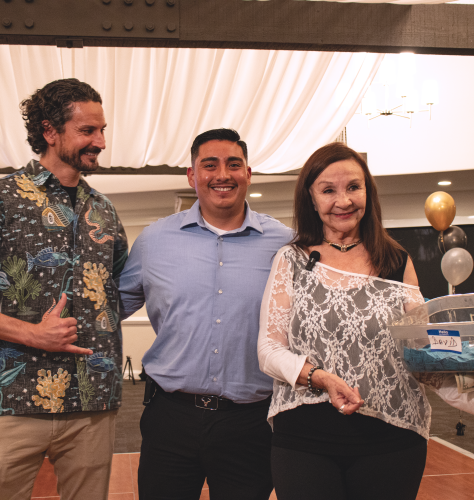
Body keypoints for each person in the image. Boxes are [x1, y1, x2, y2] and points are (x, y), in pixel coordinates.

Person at [116, 128, 293, 500]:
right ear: (192, 175)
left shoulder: (285, 244)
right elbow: (112, 307)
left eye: (234, 164)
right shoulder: (153, 241)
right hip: (170, 417)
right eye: (210, 165)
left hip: (252, 422)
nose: (222, 174)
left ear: (248, 173)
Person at [0, 78, 128, 500]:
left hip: (94, 405)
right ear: (49, 131)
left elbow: (117, 292)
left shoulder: (104, 210)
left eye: (102, 130)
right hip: (14, 402)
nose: (100, 142)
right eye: (87, 131)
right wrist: (32, 333)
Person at [257, 142, 431, 500]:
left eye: (354, 187)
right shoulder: (291, 260)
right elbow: (268, 351)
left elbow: (420, 349)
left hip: (392, 441)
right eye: (328, 190)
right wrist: (321, 378)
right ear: (310, 198)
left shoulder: (396, 261)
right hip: (304, 440)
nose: (344, 200)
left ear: (368, 191)